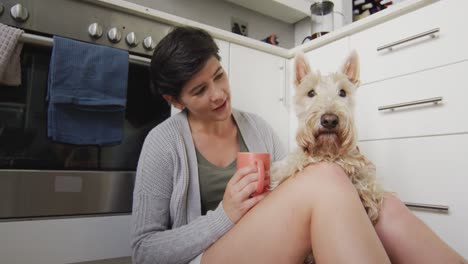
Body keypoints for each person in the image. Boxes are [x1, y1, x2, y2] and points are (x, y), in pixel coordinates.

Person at [130, 26, 466, 264]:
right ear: (174, 100)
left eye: (219, 76)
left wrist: (353, 182)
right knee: (326, 178)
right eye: (200, 90)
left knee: (383, 205)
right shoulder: (162, 143)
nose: (218, 94)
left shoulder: (256, 127)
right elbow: (144, 251)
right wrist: (224, 216)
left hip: (265, 240)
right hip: (207, 255)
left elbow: (296, 195)